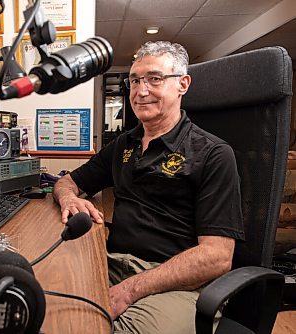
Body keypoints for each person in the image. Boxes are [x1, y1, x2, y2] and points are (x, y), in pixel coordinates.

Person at [53, 41, 245, 334]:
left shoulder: (213, 154)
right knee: (39, 303)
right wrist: (68, 198)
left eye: (154, 79)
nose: (141, 91)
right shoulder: (123, 145)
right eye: (135, 81)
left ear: (182, 84)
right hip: (112, 264)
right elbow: (68, 181)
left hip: (177, 283)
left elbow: (217, 256)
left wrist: (131, 290)